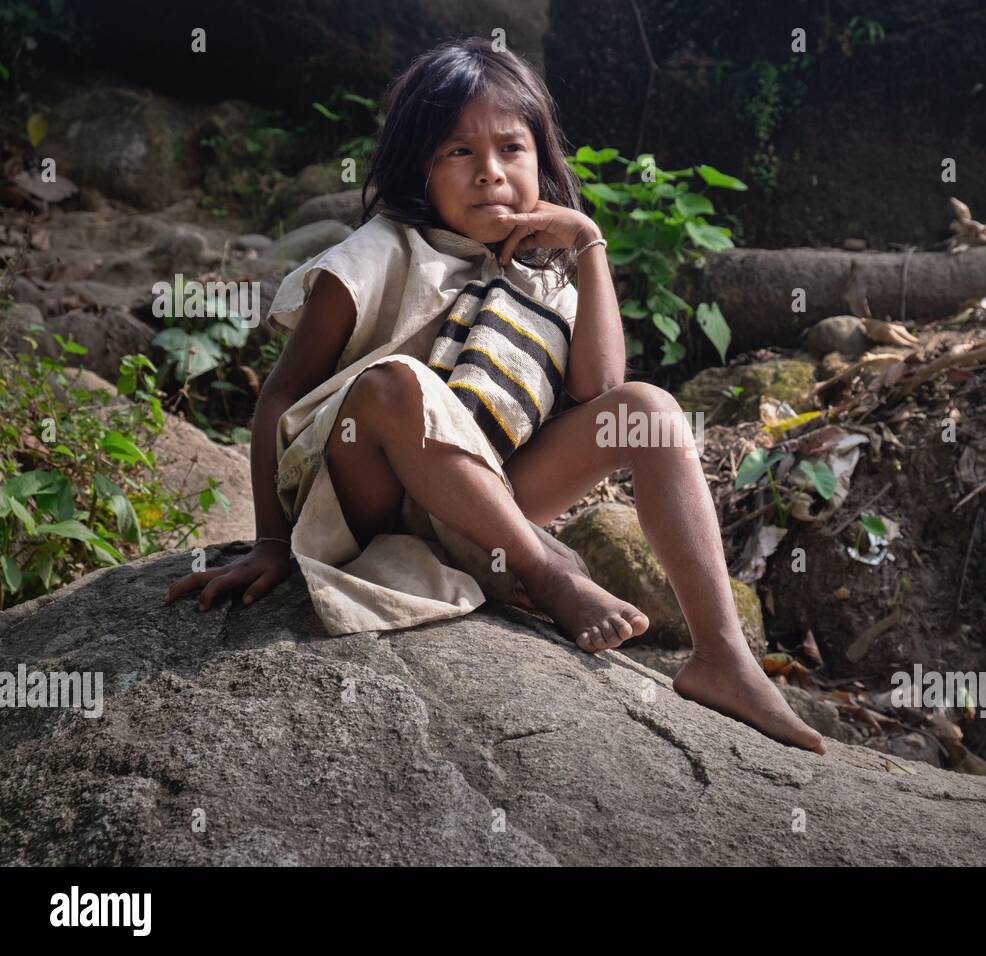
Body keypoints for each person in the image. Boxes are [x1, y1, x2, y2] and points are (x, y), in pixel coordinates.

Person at [164, 38, 825, 755]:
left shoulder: (540, 279)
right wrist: (268, 545)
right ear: (420, 163)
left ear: (541, 161)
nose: (490, 175)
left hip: (482, 500)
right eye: (458, 153)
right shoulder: (378, 251)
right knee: (396, 384)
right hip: (365, 492)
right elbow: (279, 397)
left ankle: (722, 656)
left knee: (652, 410)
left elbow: (599, 391)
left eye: (512, 149)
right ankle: (544, 575)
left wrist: (590, 245)